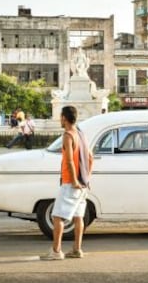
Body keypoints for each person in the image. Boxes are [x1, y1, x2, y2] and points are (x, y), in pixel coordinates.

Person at [40, 106, 93, 261]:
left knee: (57, 217)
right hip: (83, 184)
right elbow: (90, 158)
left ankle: (56, 251)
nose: (59, 120)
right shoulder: (81, 134)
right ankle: (77, 249)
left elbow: (69, 160)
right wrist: (86, 178)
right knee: (78, 217)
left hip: (71, 183)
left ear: (64, 117)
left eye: (60, 117)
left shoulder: (68, 135)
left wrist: (75, 180)